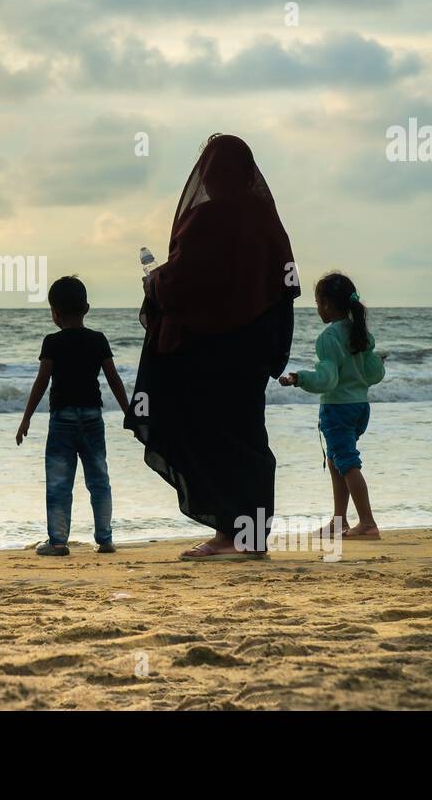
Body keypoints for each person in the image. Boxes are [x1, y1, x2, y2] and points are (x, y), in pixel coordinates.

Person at [125, 134, 300, 559]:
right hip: (253, 352)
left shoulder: (207, 218)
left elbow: (185, 281)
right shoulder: (268, 222)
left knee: (211, 437)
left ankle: (229, 535)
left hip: (208, 355)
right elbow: (284, 289)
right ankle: (250, 536)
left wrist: (155, 281)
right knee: (248, 438)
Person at [16, 276, 130, 556]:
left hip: (62, 420)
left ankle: (57, 542)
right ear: (87, 308)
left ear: (54, 312)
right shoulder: (98, 339)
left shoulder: (52, 342)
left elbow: (42, 381)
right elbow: (114, 379)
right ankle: (105, 539)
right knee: (99, 479)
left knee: (58, 482)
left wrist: (26, 417)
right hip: (92, 417)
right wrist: (129, 412)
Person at [279, 272, 385, 539]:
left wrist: (299, 378)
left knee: (347, 462)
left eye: (317, 303)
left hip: (338, 409)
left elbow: (327, 379)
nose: (317, 309)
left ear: (326, 304)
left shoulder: (328, 338)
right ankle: (339, 522)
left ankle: (368, 523)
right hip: (360, 408)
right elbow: (374, 374)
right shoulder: (358, 332)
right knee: (336, 459)